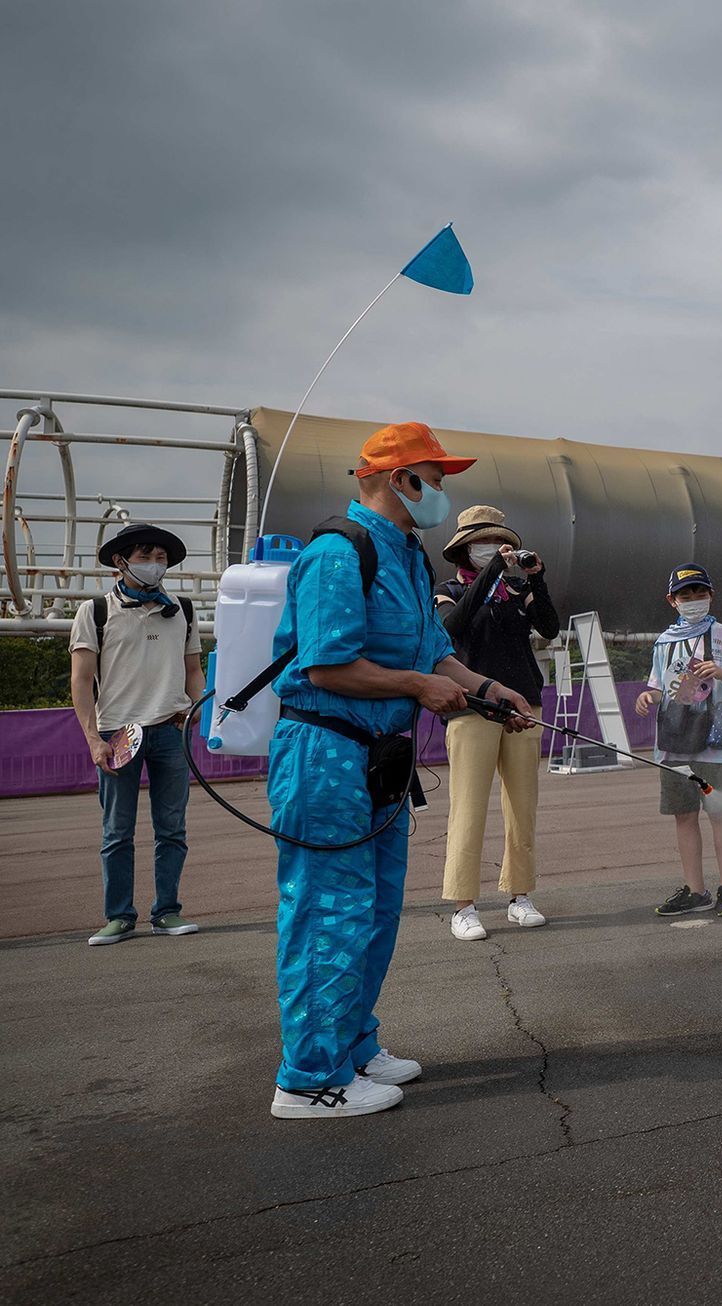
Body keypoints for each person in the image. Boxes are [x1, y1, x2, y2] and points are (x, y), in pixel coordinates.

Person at [266, 422, 534, 1120]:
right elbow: (326, 667)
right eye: (436, 479)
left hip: (380, 757)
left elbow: (434, 653)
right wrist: (418, 688)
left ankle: (354, 1045)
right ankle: (308, 1079)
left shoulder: (408, 556)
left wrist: (487, 689)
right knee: (329, 910)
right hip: (326, 754)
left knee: (377, 908)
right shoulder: (337, 553)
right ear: (399, 479)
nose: (442, 493)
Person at [68, 523, 203, 945]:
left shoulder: (183, 609)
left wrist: (197, 707)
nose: (155, 564)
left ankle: (167, 911)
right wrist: (93, 738)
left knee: (172, 828)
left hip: (171, 729)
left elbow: (193, 669)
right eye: (145, 556)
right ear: (120, 561)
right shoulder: (95, 612)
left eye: (161, 558)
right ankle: (119, 916)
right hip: (117, 734)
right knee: (116, 831)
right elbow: (81, 680)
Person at [435, 504, 560, 941]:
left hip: (524, 705)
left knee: (523, 808)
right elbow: (453, 627)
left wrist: (536, 578)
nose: (491, 548)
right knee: (468, 807)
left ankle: (520, 895)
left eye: (497, 541)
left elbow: (550, 627)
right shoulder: (448, 590)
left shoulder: (517, 590)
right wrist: (492, 574)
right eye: (482, 542)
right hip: (472, 707)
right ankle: (463, 905)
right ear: (464, 548)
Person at [635, 563, 722, 918]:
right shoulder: (663, 642)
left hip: (713, 742)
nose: (694, 600)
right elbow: (659, 688)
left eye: (700, 592)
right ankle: (695, 889)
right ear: (672, 601)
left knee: (719, 812)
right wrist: (648, 696)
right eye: (685, 595)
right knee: (684, 815)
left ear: (711, 594)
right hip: (673, 742)